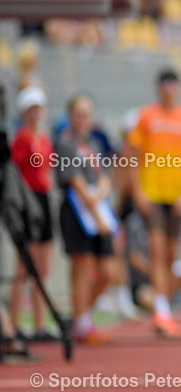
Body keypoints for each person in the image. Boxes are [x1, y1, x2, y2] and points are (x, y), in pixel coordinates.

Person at [126, 69, 181, 337]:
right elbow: (134, 155)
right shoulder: (147, 116)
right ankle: (162, 312)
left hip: (176, 194)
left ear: (179, 89)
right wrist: (138, 190)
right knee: (157, 251)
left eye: (173, 85)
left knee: (171, 254)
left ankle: (163, 305)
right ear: (158, 88)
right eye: (164, 85)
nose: (169, 90)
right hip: (152, 193)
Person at [54, 95, 118, 344]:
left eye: (87, 113)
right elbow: (76, 182)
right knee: (82, 266)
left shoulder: (94, 142)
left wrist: (101, 194)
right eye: (78, 114)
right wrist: (95, 212)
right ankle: (81, 323)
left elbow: (105, 176)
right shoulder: (66, 143)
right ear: (70, 117)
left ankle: (81, 316)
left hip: (99, 209)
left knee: (107, 271)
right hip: (77, 211)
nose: (83, 119)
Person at [9, 87, 57, 342]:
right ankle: (15, 324)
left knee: (42, 267)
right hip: (29, 202)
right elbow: (15, 173)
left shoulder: (44, 138)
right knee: (23, 267)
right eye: (31, 108)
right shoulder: (22, 139)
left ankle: (40, 324)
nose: (36, 113)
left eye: (39, 108)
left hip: (44, 200)